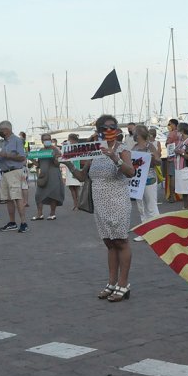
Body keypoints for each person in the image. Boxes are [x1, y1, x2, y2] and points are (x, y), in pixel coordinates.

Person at [64, 115, 135, 302]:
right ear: (99, 130)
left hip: (117, 201)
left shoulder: (122, 149)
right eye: (105, 127)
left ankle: (123, 284)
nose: (109, 130)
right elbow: (81, 177)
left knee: (121, 241)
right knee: (109, 243)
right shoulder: (94, 151)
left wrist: (115, 159)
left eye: (113, 127)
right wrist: (68, 164)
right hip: (100, 203)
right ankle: (111, 283)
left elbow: (130, 172)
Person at [0, 121, 29, 233]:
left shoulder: (17, 140)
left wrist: (6, 155)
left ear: (7, 129)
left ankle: (23, 222)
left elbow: (21, 157)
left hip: (14, 171)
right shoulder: (3, 142)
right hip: (5, 172)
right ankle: (12, 222)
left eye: (1, 129)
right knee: (8, 199)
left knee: (17, 198)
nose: (0, 131)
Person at [131, 125, 161, 241]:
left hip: (149, 179)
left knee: (151, 207)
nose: (133, 134)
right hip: (138, 181)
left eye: (134, 133)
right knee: (142, 208)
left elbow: (158, 161)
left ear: (138, 135)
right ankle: (145, 232)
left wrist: (153, 158)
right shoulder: (134, 147)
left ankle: (157, 231)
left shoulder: (150, 146)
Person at [31, 133, 64, 220]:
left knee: (53, 194)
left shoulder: (55, 150)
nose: (47, 141)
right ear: (42, 141)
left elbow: (58, 164)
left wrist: (54, 158)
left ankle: (52, 213)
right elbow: (38, 164)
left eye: (49, 139)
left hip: (53, 174)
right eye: (45, 139)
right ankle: (39, 214)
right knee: (38, 195)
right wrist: (31, 159)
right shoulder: (41, 150)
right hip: (43, 175)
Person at [174, 122, 188, 209]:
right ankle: (186, 208)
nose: (177, 131)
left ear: (182, 131)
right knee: (183, 191)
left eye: (178, 130)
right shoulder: (181, 139)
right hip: (179, 169)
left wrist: (181, 153)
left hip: (185, 168)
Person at [62, 133, 82, 210]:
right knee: (71, 187)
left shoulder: (78, 146)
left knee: (77, 187)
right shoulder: (66, 145)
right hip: (69, 168)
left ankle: (78, 204)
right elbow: (63, 154)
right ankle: (75, 203)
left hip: (76, 167)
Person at [164, 118, 180, 203]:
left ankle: (172, 196)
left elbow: (168, 144)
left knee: (172, 176)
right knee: (178, 176)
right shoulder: (180, 133)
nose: (168, 126)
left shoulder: (171, 134)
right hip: (180, 157)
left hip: (172, 157)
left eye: (169, 124)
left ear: (174, 125)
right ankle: (180, 194)